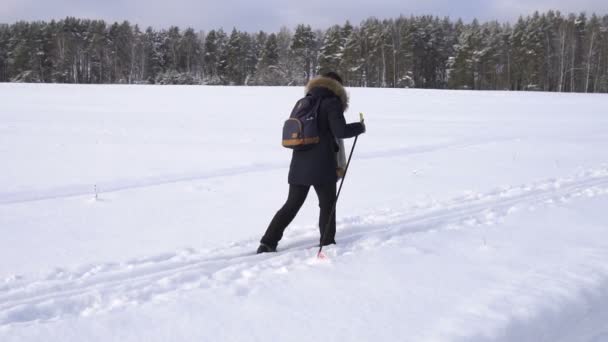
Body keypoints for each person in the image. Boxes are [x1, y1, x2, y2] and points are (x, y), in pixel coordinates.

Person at [257, 71, 366, 254]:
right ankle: (327, 241)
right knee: (327, 204)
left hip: (299, 163)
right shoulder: (332, 102)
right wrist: (360, 127)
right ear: (337, 87)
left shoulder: (304, 102)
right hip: (323, 164)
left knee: (291, 205)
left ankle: (267, 242)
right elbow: (340, 132)